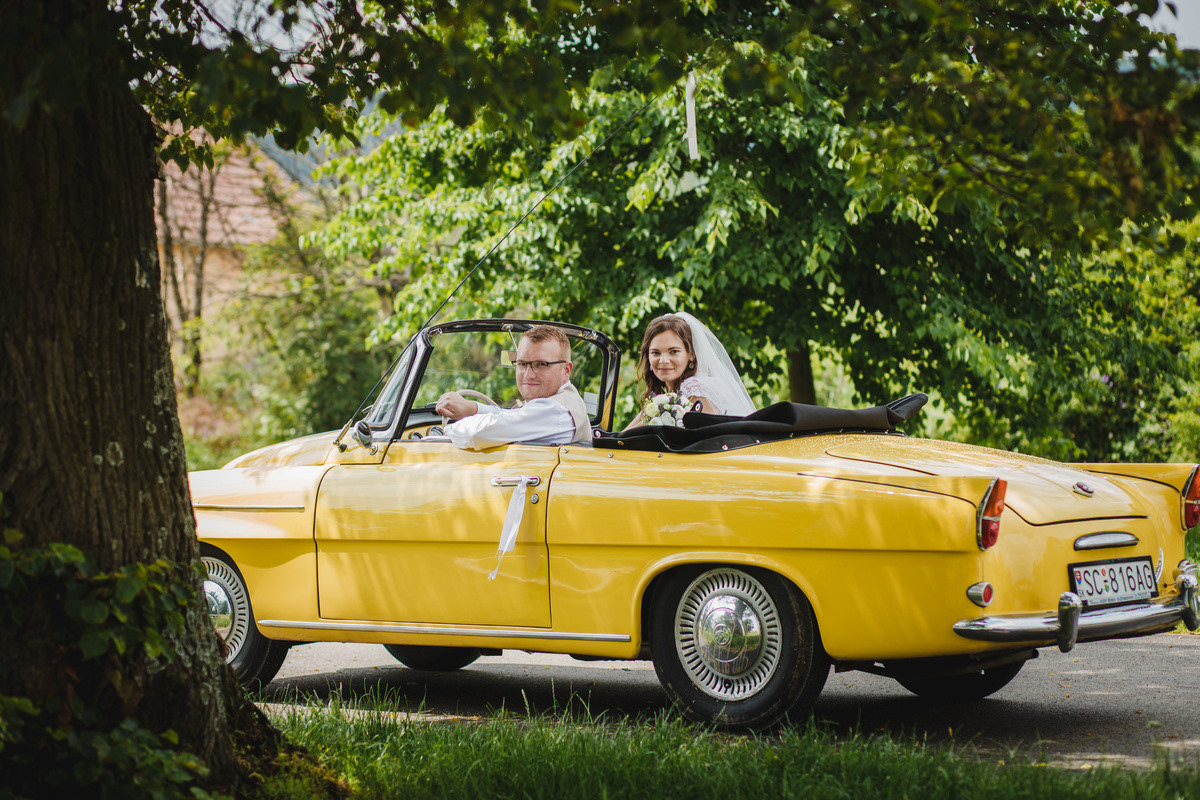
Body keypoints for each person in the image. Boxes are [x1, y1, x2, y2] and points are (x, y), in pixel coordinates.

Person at [435, 324, 592, 450]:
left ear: (566, 370)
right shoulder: (559, 404)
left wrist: (442, 432)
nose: (528, 374)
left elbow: (477, 433)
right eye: (522, 364)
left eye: (541, 364)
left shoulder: (555, 411)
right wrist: (474, 409)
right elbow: (516, 417)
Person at [626, 312, 755, 428]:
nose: (663, 360)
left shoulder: (694, 388)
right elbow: (623, 436)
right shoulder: (662, 396)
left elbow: (709, 440)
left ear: (691, 354)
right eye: (656, 353)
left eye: (673, 351)